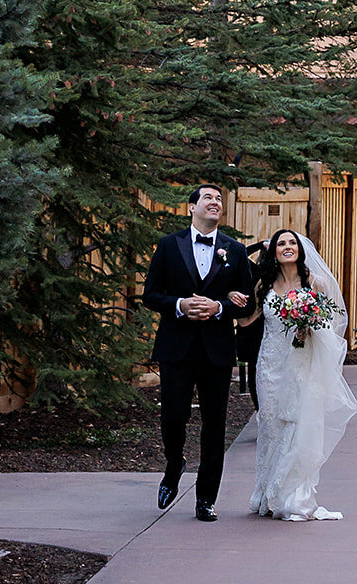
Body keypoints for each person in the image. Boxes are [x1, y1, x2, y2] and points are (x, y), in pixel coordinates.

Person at [143, 184, 255, 521]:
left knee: (214, 425)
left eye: (219, 199)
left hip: (217, 351)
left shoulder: (234, 251)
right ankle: (174, 463)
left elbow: (246, 301)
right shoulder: (168, 245)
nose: (215, 202)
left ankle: (206, 498)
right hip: (176, 348)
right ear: (192, 207)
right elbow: (150, 295)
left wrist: (218, 307)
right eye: (208, 197)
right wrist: (180, 304)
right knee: (174, 416)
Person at [246, 228, 357, 521]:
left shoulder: (315, 283)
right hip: (269, 366)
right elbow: (247, 320)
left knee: (295, 426)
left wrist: (309, 326)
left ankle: (291, 495)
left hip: (300, 365)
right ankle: (266, 494)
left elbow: (332, 324)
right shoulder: (264, 285)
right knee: (270, 427)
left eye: (292, 243)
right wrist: (232, 300)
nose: (287, 247)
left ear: (300, 249)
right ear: (273, 251)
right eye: (281, 243)